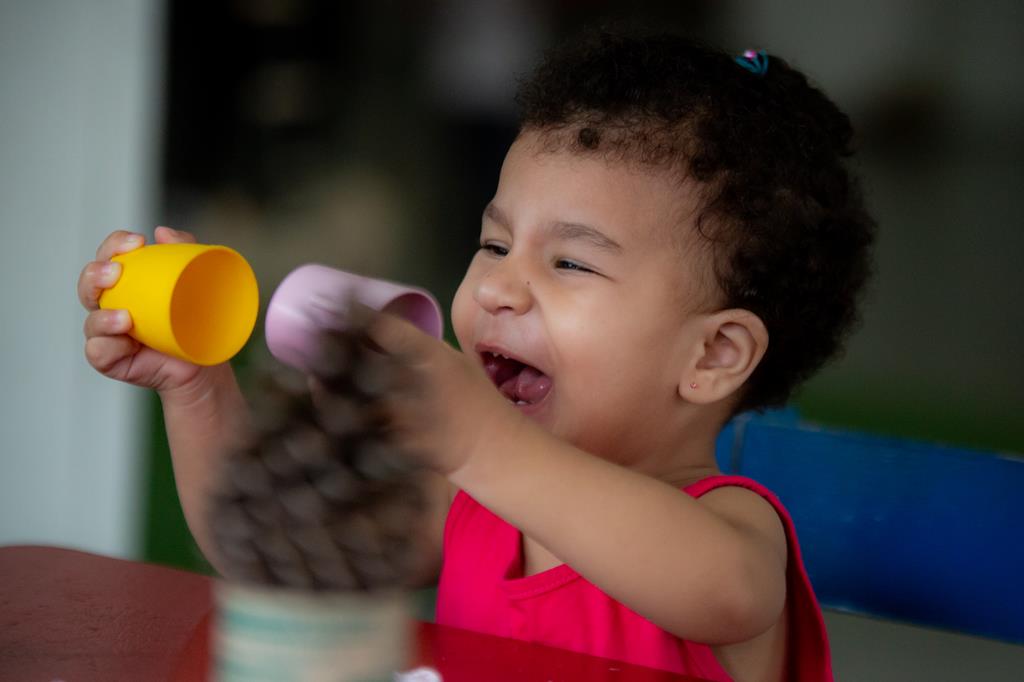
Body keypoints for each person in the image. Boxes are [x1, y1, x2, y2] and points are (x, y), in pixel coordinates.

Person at [78, 29, 874, 682]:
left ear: (713, 355)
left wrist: (480, 443)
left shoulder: (728, 532)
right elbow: (273, 555)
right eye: (494, 242)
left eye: (570, 262)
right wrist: (196, 389)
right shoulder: (471, 506)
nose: (498, 287)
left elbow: (724, 592)